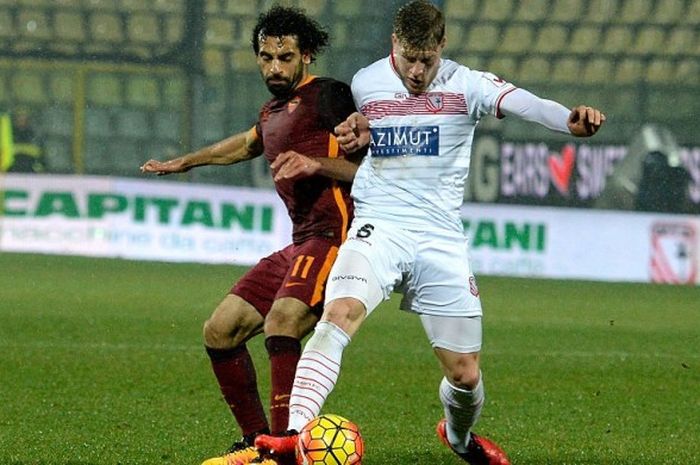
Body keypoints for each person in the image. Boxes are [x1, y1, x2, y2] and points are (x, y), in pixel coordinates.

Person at [255, 1, 606, 464]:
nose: (417, 71)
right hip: (379, 225)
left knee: (464, 375)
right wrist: (358, 130)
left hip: (439, 237)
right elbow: (362, 131)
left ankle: (459, 437)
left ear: (442, 46)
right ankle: (296, 433)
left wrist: (568, 121)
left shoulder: (468, 85)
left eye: (427, 60)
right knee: (337, 316)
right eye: (408, 59)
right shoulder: (366, 81)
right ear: (393, 46)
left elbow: (526, 102)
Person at [141, 6, 364, 465]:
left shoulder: (330, 97)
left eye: (285, 57)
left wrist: (317, 163)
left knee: (282, 322)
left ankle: (284, 450)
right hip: (301, 242)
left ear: (307, 55)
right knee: (220, 330)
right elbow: (247, 143)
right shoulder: (272, 110)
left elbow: (373, 169)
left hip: (336, 236)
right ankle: (255, 442)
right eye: (266, 58)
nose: (274, 68)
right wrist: (184, 162)